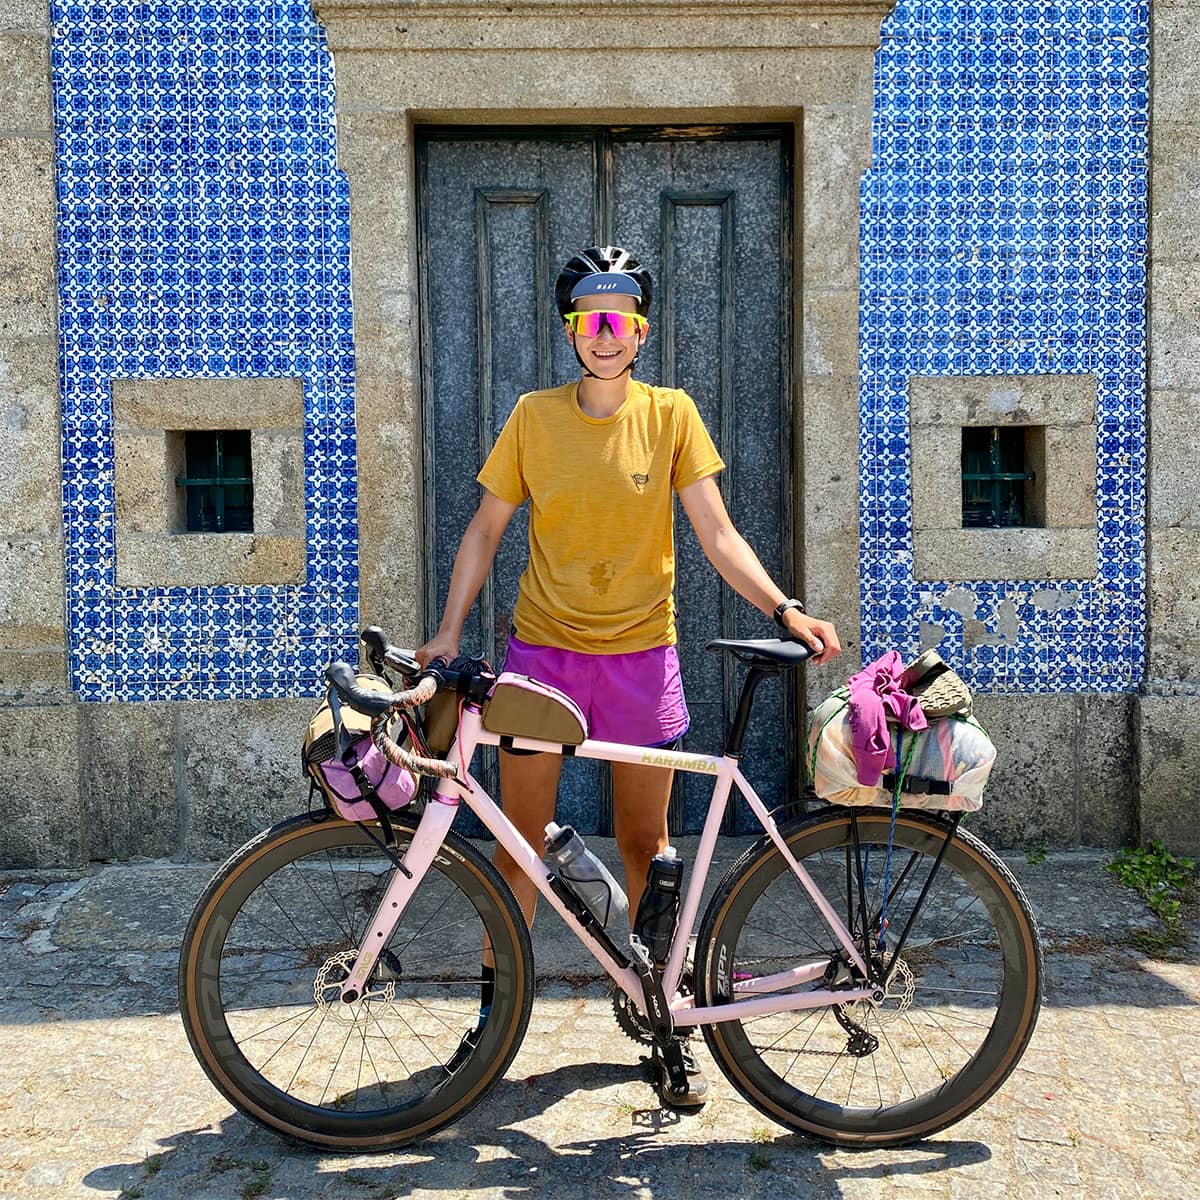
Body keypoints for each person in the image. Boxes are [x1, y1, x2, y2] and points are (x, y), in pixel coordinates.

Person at [416, 245, 841, 1105]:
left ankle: (658, 1014)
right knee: (517, 847)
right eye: (589, 320)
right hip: (543, 657)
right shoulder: (533, 418)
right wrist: (448, 630)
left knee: (648, 846)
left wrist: (784, 608)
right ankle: (493, 1026)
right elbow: (485, 529)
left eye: (620, 319)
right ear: (571, 330)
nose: (604, 335)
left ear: (640, 332)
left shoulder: (671, 414)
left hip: (642, 659)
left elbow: (717, 533)